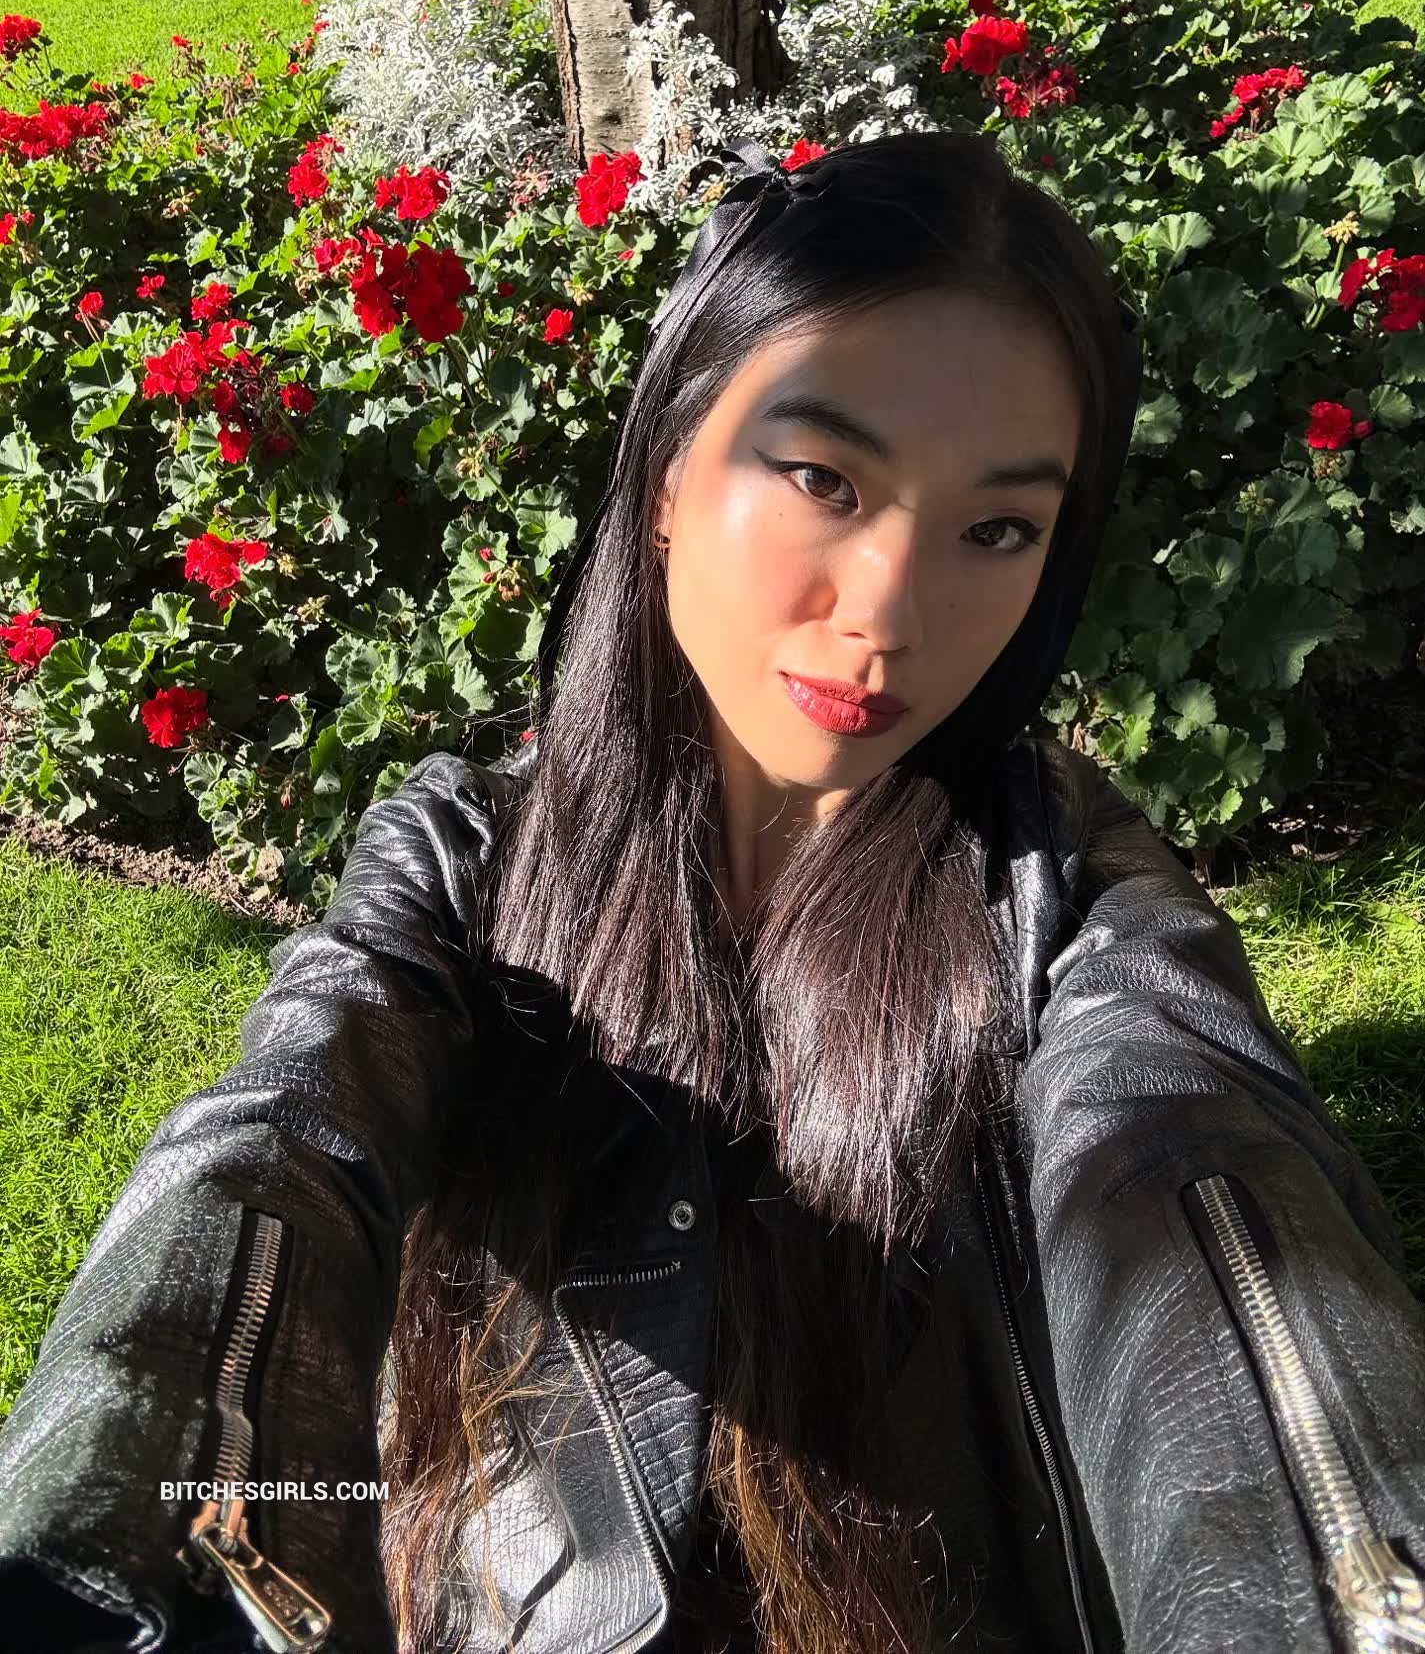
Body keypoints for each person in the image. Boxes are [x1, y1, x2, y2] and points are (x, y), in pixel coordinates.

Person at [1, 131, 1423, 1654]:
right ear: (671, 471)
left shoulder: (1055, 898)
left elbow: (1201, 1192)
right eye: (822, 478)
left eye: (996, 528)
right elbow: (283, 1145)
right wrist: (127, 1539)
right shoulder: (467, 863)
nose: (887, 610)